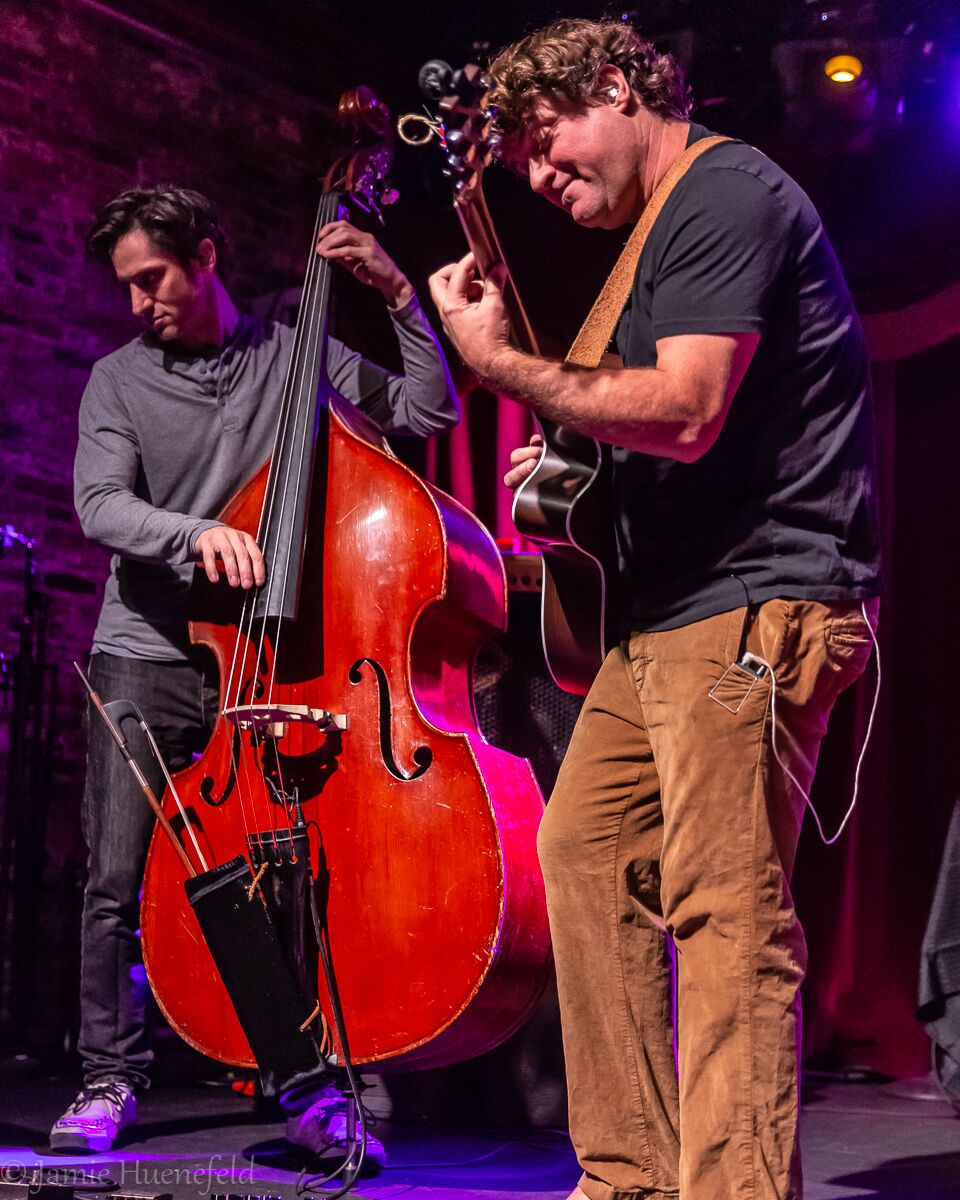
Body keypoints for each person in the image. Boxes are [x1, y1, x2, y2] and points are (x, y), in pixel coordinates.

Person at [429, 17, 880, 1200]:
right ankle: (630, 1179)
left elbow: (684, 409)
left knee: (725, 910)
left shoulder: (724, 194)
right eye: (518, 157)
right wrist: (568, 473)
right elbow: (650, 433)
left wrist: (499, 368)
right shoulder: (662, 234)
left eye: (547, 140)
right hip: (667, 615)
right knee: (580, 852)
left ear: (620, 89)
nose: (537, 174)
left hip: (753, 601)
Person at [52, 185, 459, 1155]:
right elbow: (101, 506)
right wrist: (198, 537)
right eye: (127, 286)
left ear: (206, 253)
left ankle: (306, 1081)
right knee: (115, 878)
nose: (137, 302)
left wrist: (403, 296)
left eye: (151, 278)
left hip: (275, 661)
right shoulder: (116, 381)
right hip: (147, 652)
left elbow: (424, 411)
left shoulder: (295, 351)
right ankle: (110, 1080)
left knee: (281, 881)